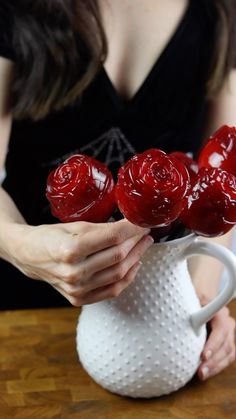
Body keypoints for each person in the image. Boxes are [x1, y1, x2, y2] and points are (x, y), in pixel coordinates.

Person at [0, 0, 235, 382]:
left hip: (155, 318)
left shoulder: (220, 10)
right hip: (23, 312)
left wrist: (201, 302)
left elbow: (222, 185)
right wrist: (22, 246)